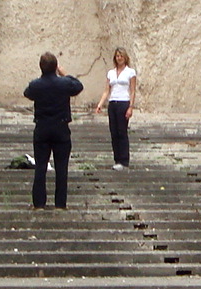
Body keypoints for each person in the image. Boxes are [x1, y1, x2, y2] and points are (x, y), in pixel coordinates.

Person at [23, 52, 83, 208]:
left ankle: (39, 203)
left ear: (41, 67)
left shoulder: (36, 84)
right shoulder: (64, 84)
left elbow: (27, 93)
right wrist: (65, 74)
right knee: (61, 168)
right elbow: (78, 86)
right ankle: (60, 203)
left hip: (42, 128)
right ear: (56, 67)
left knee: (41, 167)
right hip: (61, 128)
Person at [93, 47, 139, 169]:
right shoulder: (111, 73)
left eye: (121, 56)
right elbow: (107, 90)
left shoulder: (130, 72)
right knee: (114, 132)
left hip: (124, 102)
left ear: (125, 58)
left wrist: (131, 107)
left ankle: (124, 160)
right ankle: (117, 159)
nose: (119, 58)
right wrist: (100, 104)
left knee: (122, 131)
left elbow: (133, 91)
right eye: (117, 56)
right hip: (113, 103)